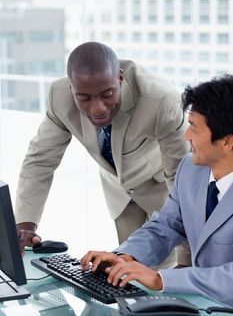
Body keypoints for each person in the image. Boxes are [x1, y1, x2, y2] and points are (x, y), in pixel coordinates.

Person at [15, 41, 189, 267]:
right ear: (71, 87)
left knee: (166, 274)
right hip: (120, 191)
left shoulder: (161, 100)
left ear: (120, 77)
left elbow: (183, 180)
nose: (97, 108)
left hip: (163, 189)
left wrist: (187, 261)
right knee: (129, 274)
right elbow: (40, 161)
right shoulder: (60, 98)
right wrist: (24, 225)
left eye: (107, 94)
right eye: (84, 98)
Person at [81, 74, 233, 307]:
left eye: (193, 127)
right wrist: (125, 257)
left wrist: (160, 279)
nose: (186, 136)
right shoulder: (190, 169)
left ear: (227, 141)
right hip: (203, 305)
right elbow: (166, 225)